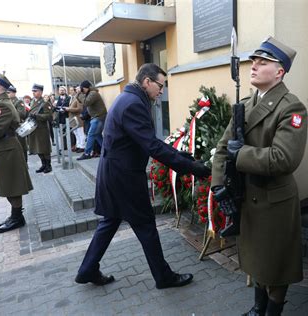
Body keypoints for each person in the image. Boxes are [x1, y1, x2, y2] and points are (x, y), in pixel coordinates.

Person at [75, 63, 210, 288]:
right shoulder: (134, 104)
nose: (162, 91)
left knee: (109, 222)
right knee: (146, 226)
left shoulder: (127, 98)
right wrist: (191, 167)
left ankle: (87, 269)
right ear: (147, 81)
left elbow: (149, 142)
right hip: (125, 178)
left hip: (113, 173)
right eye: (160, 85)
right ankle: (164, 277)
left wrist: (181, 156)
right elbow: (152, 146)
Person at [211, 36, 308, 316]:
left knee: (274, 266)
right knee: (255, 260)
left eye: (262, 62)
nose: (253, 66)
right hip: (247, 197)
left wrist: (240, 155)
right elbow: (221, 148)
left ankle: (271, 312)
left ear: (280, 72)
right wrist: (219, 185)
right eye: (253, 61)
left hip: (273, 202)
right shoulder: (246, 103)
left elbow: (284, 158)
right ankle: (257, 308)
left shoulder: (291, 107)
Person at [0, 70, 33, 233]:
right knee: (8, 185)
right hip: (2, 149)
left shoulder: (2, 105)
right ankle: (16, 216)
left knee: (11, 185)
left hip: (6, 150)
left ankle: (17, 218)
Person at [76, 80, 107, 160]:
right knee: (97, 135)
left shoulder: (93, 93)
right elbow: (82, 101)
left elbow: (86, 103)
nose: (82, 90)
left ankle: (87, 153)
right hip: (97, 117)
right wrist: (80, 94)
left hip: (98, 117)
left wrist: (80, 94)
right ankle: (107, 150)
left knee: (91, 134)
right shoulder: (89, 93)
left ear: (87, 87)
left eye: (83, 88)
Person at [28, 84, 53, 173]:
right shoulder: (32, 102)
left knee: (44, 148)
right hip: (34, 128)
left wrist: (36, 116)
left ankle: (48, 165)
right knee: (37, 148)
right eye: (33, 91)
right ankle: (43, 164)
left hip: (42, 129)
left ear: (41, 92)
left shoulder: (45, 103)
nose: (33, 93)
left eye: (35, 91)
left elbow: (49, 115)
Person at [7, 85, 28, 162]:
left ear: (14, 93)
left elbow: (22, 114)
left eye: (9, 92)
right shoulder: (7, 102)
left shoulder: (18, 101)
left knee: (22, 147)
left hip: (18, 128)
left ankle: (25, 164)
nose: (7, 94)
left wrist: (8, 115)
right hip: (10, 129)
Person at [65, 86, 85, 152]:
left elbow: (79, 109)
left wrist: (69, 109)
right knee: (76, 133)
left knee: (80, 133)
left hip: (78, 118)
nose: (71, 91)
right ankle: (78, 146)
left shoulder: (79, 98)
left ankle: (82, 146)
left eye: (73, 90)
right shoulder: (72, 98)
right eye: (70, 90)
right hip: (73, 119)